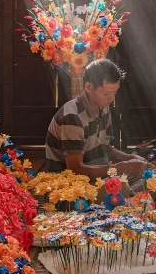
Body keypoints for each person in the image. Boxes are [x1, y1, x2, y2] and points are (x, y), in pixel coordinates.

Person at [44, 59, 147, 190]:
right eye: (106, 93)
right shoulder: (72, 116)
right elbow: (75, 170)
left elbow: (105, 148)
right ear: (88, 87)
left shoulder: (103, 107)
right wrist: (124, 167)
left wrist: (131, 158)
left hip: (92, 173)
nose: (111, 98)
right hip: (68, 186)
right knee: (129, 189)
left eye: (114, 93)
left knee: (145, 179)